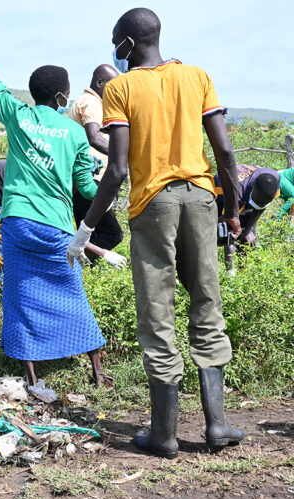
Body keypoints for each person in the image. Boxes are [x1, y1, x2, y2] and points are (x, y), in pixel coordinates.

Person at [68, 7, 243, 458]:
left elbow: (118, 168)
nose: (114, 49)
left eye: (115, 41)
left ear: (127, 43)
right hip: (203, 199)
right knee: (207, 301)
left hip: (153, 204)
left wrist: (86, 226)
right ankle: (218, 425)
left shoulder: (121, 87)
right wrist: (234, 211)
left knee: (157, 310)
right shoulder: (197, 77)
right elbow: (223, 149)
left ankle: (164, 433)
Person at [0, 4, 113, 389]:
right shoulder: (75, 132)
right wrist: (109, 193)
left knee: (20, 295)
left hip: (17, 223)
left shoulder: (19, 116)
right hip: (58, 228)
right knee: (73, 292)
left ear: (34, 93)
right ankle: (98, 371)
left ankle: (31, 377)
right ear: (63, 96)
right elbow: (85, 188)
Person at [0, 160, 127, 289]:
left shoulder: (50, 172)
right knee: (0, 244)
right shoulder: (46, 185)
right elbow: (52, 231)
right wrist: (102, 253)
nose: (75, 192)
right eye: (78, 186)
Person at [67, 65, 124, 259]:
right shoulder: (91, 103)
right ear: (99, 83)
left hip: (82, 180)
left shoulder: (88, 102)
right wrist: (124, 156)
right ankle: (74, 267)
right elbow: (94, 137)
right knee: (112, 234)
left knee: (89, 234)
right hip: (88, 180)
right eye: (112, 86)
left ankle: (79, 272)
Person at [214, 165, 280, 275]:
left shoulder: (274, 179)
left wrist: (248, 230)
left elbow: (260, 208)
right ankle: (230, 274)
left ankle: (245, 269)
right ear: (251, 188)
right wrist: (233, 236)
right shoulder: (235, 194)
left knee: (248, 236)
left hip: (245, 191)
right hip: (222, 190)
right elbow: (230, 232)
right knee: (226, 234)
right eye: (256, 202)